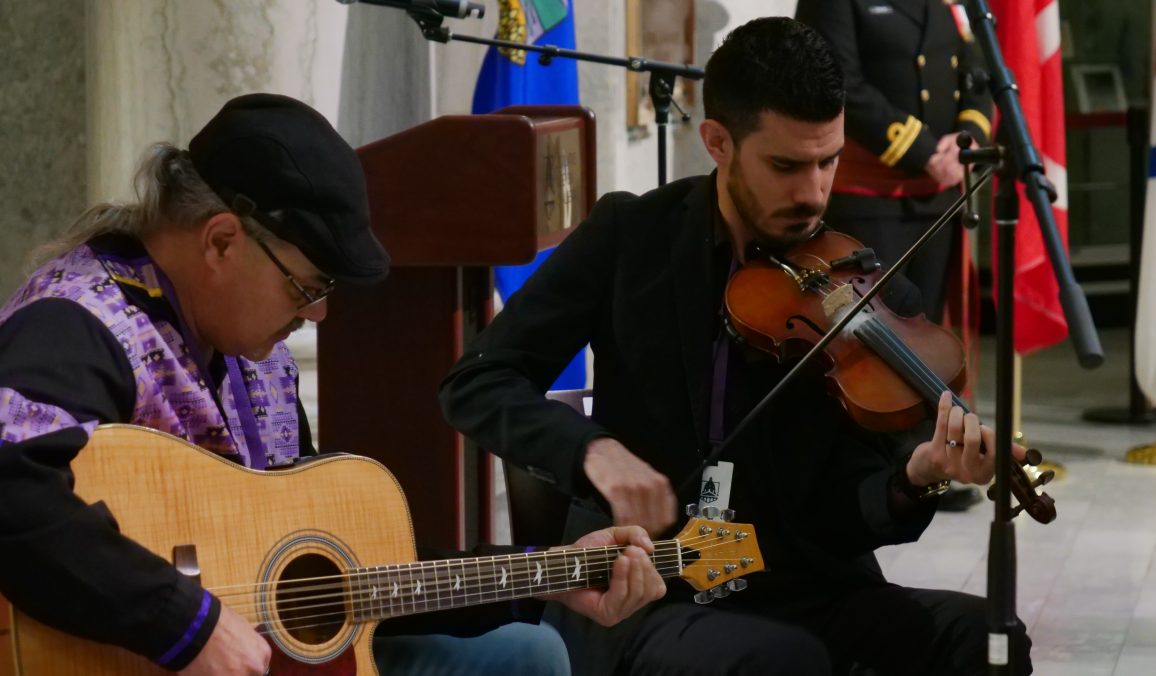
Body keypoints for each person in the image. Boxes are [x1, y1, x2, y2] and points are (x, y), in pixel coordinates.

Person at [439, 18, 1032, 676]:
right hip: (652, 591)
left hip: (805, 586)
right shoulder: (630, 237)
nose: (813, 192)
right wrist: (593, 451)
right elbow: (478, 380)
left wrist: (913, 480)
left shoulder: (867, 289)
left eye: (828, 161)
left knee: (984, 640)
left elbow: (850, 514)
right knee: (778, 661)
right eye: (785, 165)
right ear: (718, 142)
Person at [0, 93, 664, 675]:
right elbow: (12, 487)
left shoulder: (251, 351)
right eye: (306, 287)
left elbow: (335, 575)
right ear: (221, 241)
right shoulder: (80, 323)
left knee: (527, 654)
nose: (317, 316)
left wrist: (544, 575)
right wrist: (186, 624)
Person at [796, 0, 995, 513]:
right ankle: (873, 470)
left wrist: (967, 138)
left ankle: (926, 463)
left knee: (926, 331)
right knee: (873, 342)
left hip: (937, 193)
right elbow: (838, 80)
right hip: (870, 193)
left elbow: (978, 74)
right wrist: (921, 150)